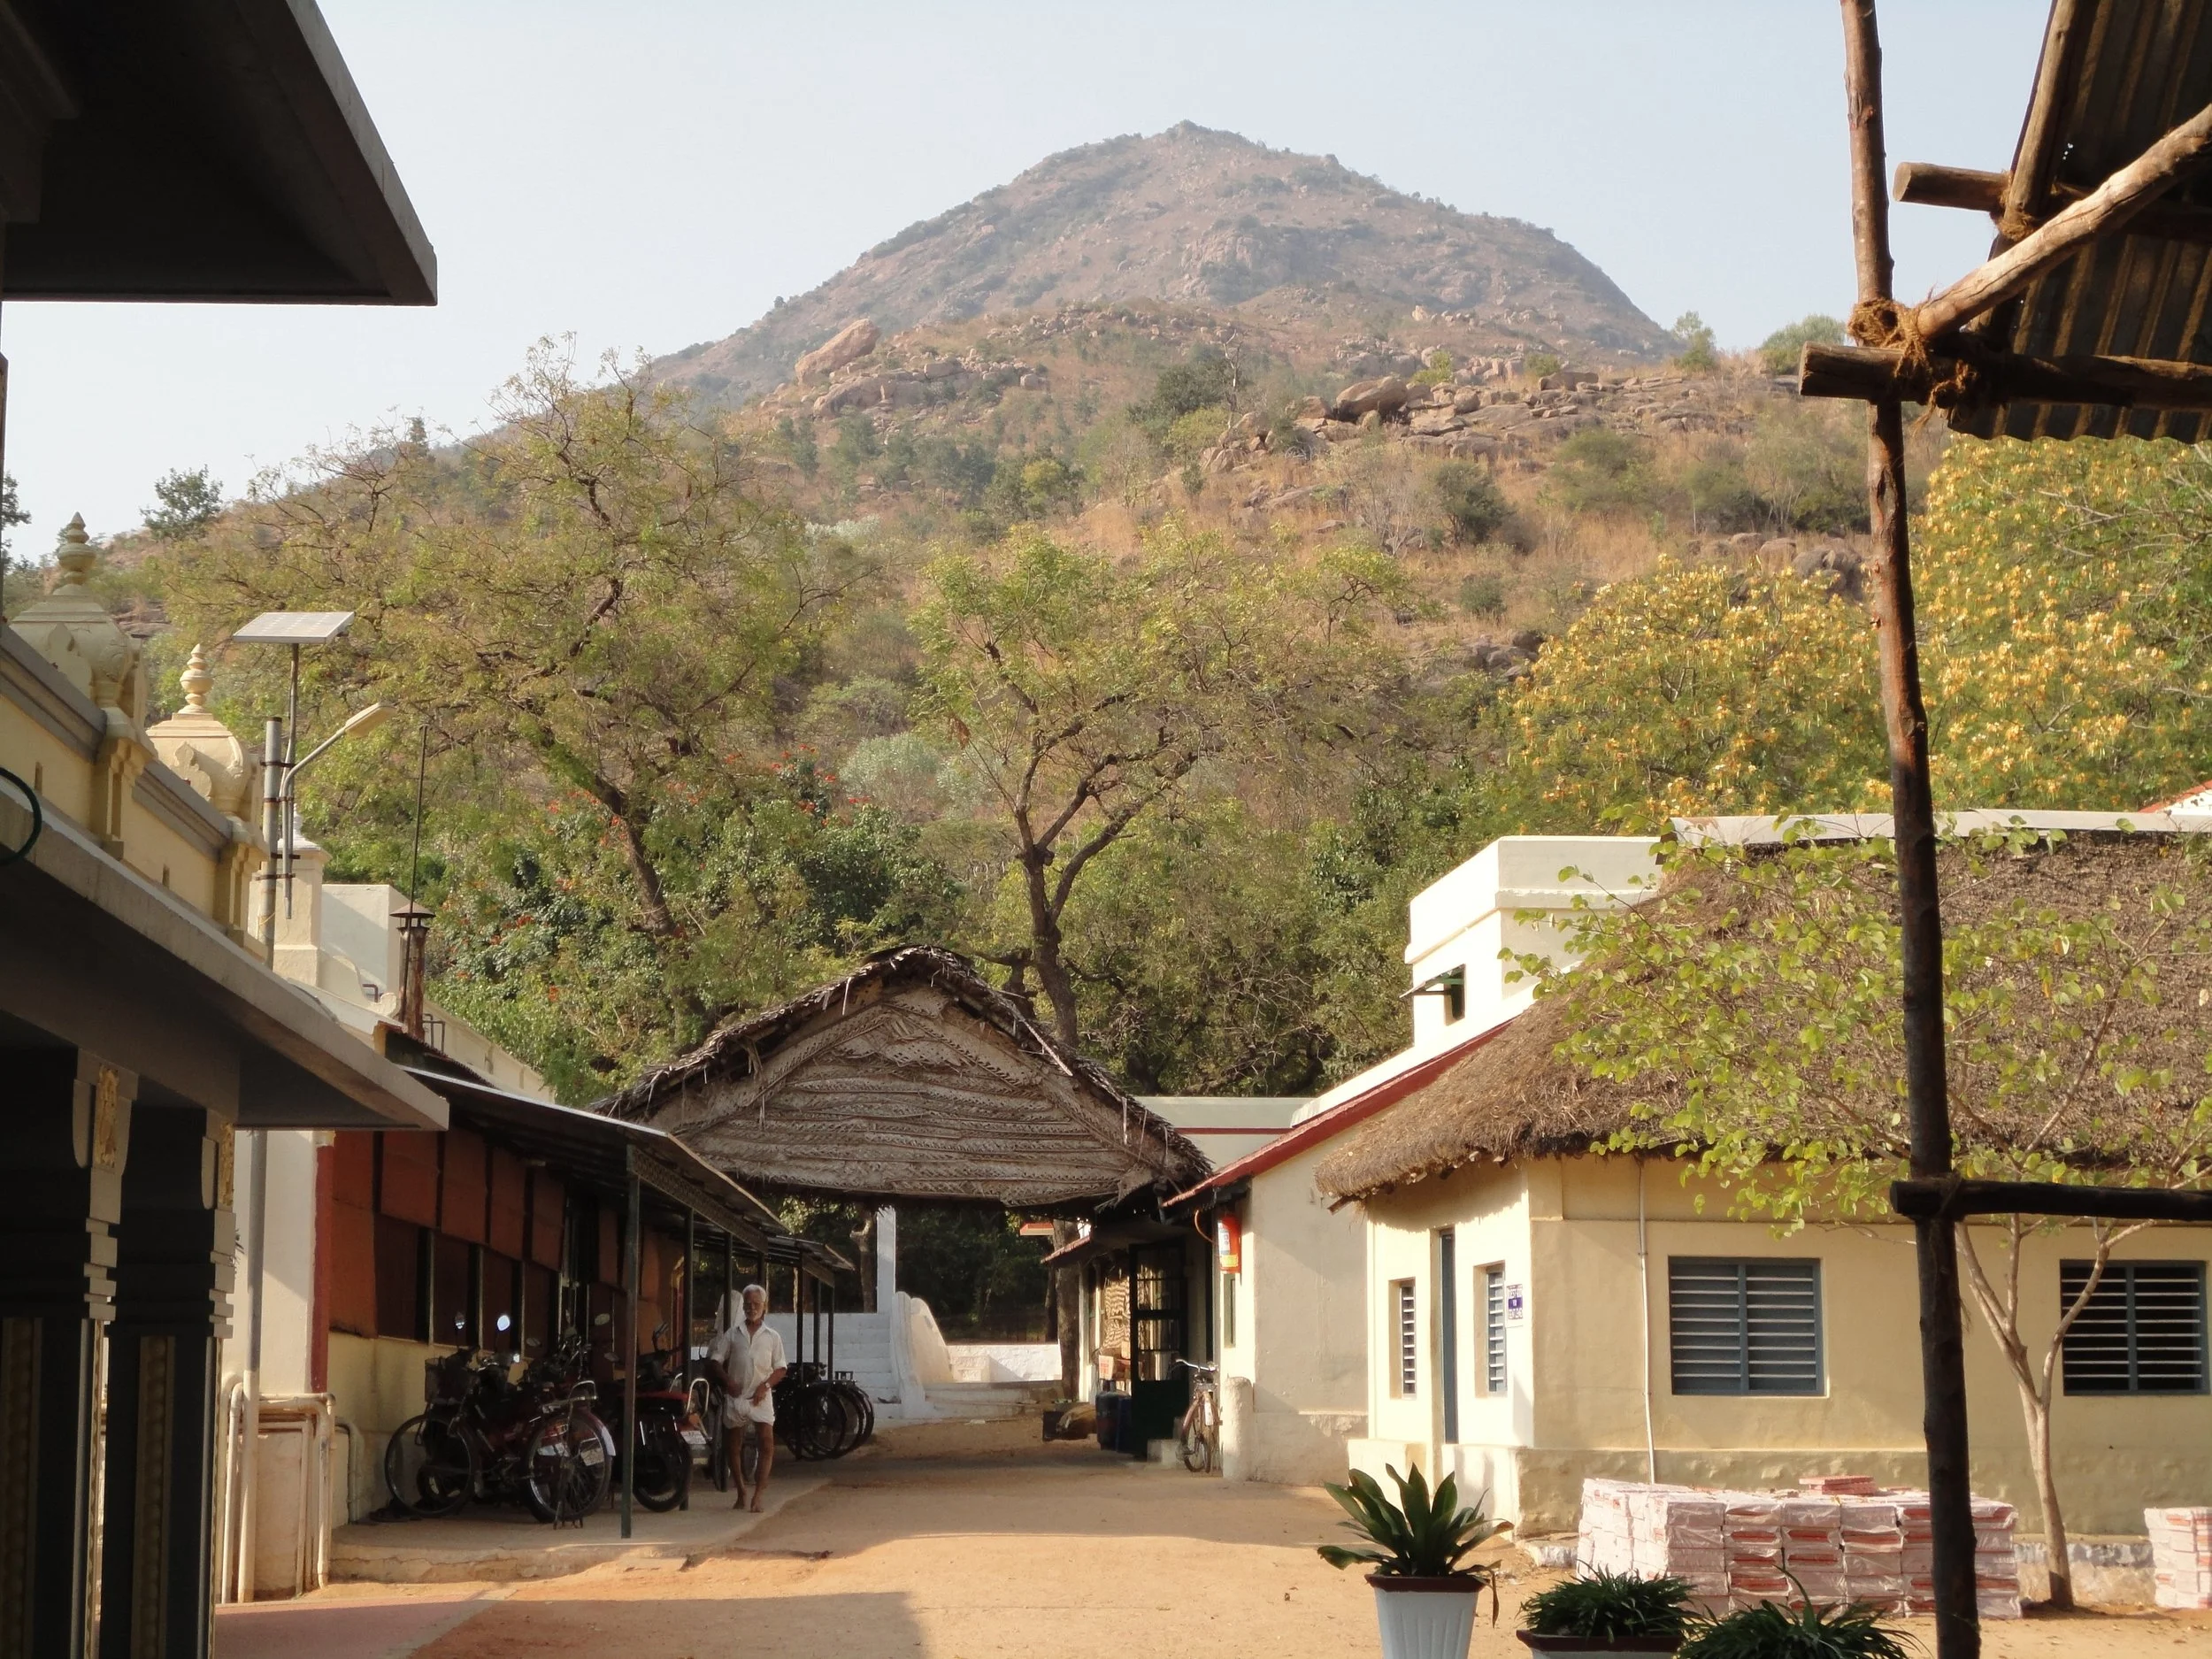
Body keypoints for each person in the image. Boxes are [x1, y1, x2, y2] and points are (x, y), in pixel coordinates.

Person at [705, 1283, 787, 1512]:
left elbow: (780, 1368)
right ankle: (741, 1490)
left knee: (767, 1444)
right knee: (734, 1445)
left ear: (764, 1307)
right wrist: (727, 1381)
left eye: (756, 1304)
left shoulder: (772, 1337)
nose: (752, 1308)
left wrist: (766, 1386)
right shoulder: (733, 1333)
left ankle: (758, 1495)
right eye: (748, 1304)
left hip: (761, 1396)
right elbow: (715, 1361)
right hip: (737, 1397)